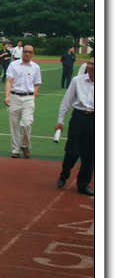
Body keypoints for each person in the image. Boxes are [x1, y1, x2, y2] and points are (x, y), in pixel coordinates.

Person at [56, 56, 95, 196]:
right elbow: (66, 102)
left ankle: (83, 184)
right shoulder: (77, 80)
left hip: (94, 120)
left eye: (94, 64)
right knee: (72, 151)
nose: (90, 66)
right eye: (89, 63)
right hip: (78, 118)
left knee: (90, 155)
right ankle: (64, 173)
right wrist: (60, 121)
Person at [4, 44, 42, 159]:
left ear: (33, 54)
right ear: (22, 52)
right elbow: (9, 81)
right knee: (14, 124)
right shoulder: (13, 65)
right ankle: (15, 149)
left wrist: (33, 97)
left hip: (28, 97)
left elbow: (36, 84)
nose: (27, 54)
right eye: (25, 51)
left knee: (27, 123)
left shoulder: (36, 67)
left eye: (30, 52)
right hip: (14, 96)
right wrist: (7, 96)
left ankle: (25, 146)